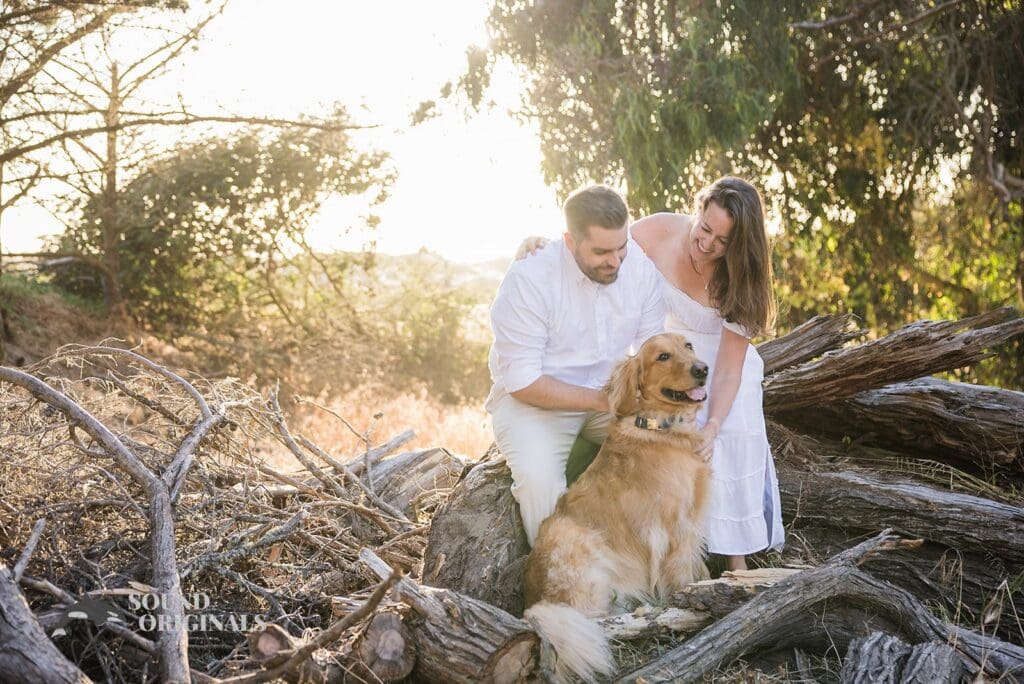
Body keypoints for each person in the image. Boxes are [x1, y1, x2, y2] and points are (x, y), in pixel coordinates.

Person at [518, 176, 784, 570]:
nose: (708, 243)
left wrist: (711, 427)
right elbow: (605, 250)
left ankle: (735, 558)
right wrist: (546, 248)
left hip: (721, 361)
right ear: (696, 210)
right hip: (665, 347)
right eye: (705, 228)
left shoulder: (743, 278)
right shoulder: (658, 229)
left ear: (739, 245)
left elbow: (728, 369)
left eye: (722, 241)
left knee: (727, 423)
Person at [486, 184, 666, 546]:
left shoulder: (640, 269)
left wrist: (648, 409)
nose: (615, 261)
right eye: (601, 252)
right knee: (539, 480)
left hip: (612, 399)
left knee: (666, 436)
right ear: (570, 241)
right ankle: (563, 581)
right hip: (534, 404)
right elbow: (523, 381)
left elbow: (651, 347)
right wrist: (604, 401)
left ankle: (646, 565)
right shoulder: (530, 278)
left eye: (621, 248)